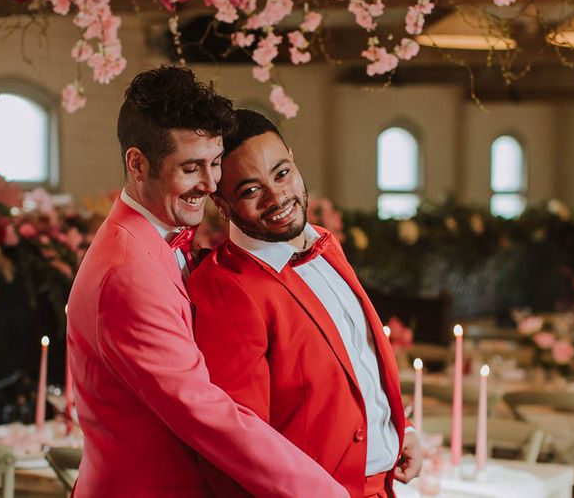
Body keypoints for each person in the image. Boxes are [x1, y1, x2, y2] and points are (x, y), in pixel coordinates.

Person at [67, 68, 348, 497]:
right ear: (137, 164)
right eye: (191, 167)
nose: (212, 183)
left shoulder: (155, 238)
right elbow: (207, 414)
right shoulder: (128, 271)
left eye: (215, 163)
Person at [188, 109, 422, 498]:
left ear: (293, 160)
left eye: (281, 174)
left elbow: (356, 364)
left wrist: (399, 430)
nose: (277, 197)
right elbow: (237, 448)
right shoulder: (228, 287)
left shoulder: (325, 245)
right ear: (222, 205)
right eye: (250, 190)